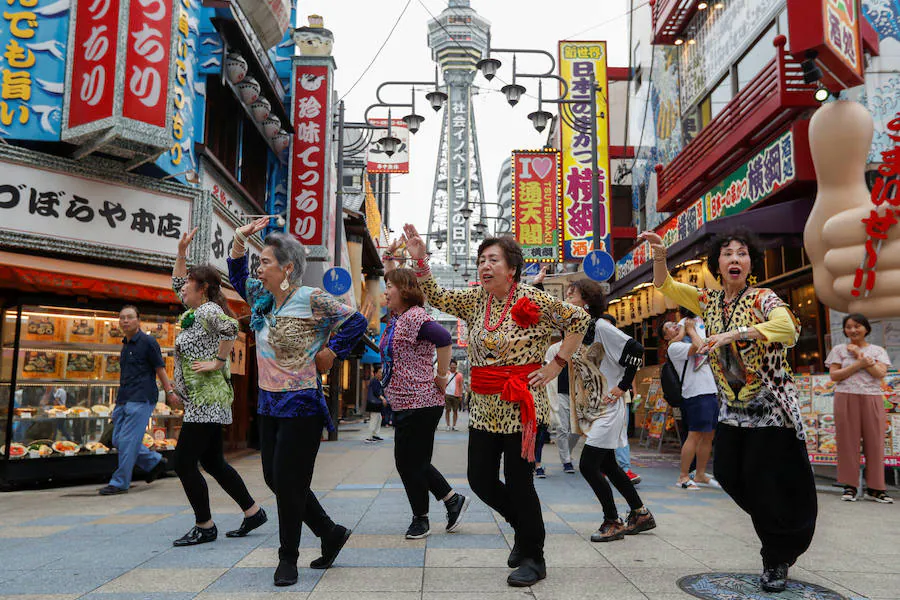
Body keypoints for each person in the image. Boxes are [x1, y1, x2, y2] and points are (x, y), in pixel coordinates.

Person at [402, 223, 591, 587]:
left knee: (520, 484)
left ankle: (534, 556)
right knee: (480, 479)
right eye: (481, 260)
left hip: (521, 405)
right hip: (485, 405)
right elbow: (438, 297)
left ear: (512, 269)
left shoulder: (532, 299)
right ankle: (524, 528)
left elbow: (579, 320)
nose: (484, 266)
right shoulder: (475, 301)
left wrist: (557, 363)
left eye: (493, 260)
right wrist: (421, 261)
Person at [641, 227, 816, 593]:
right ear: (717, 264)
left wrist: (734, 335)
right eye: (727, 254)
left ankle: (775, 557)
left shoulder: (762, 297)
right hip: (733, 411)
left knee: (761, 482)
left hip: (770, 412)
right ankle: (781, 532)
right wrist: (660, 254)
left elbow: (789, 329)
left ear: (750, 262)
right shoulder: (709, 301)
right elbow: (666, 287)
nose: (734, 259)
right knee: (729, 475)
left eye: (741, 253)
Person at [228, 218, 368, 587]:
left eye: (266, 263)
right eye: (259, 263)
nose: (259, 268)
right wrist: (241, 238)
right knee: (276, 478)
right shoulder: (261, 299)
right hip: (268, 404)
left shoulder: (312, 298)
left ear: (287, 268)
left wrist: (331, 352)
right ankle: (329, 531)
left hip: (302, 404)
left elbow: (355, 322)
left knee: (289, 484)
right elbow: (235, 270)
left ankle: (287, 558)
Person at [170, 227, 267, 547]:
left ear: (204, 290)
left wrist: (219, 362)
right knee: (212, 461)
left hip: (206, 399)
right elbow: (175, 284)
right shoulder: (195, 311)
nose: (183, 287)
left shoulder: (209, 311)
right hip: (203, 399)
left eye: (188, 284)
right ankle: (252, 511)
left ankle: (205, 524)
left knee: (184, 461)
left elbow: (230, 328)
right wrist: (182, 254)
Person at [378, 258, 470, 538]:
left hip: (421, 401)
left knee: (410, 463)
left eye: (390, 287)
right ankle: (452, 500)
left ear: (405, 290)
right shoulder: (398, 318)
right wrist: (389, 264)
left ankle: (421, 518)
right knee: (411, 461)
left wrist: (442, 375)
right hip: (406, 401)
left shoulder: (415, 317)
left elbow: (444, 337)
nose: (386, 291)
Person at [565, 279, 655, 543]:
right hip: (596, 409)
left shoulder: (602, 326)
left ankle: (612, 520)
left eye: (573, 294)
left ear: (587, 300)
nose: (568, 297)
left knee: (588, 465)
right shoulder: (582, 327)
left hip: (609, 408)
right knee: (609, 466)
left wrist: (623, 387)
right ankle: (640, 513)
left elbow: (636, 349)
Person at [98, 305, 175, 495]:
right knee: (117, 439)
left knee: (126, 440)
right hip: (124, 399)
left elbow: (160, 369)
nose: (125, 320)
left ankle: (119, 482)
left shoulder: (148, 342)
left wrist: (170, 391)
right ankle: (154, 462)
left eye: (129, 317)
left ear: (138, 320)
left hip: (141, 398)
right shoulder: (125, 344)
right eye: (122, 317)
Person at [827, 313, 893, 503]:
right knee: (847, 442)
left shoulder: (878, 350)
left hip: (872, 397)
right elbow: (834, 376)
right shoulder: (839, 350)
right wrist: (858, 364)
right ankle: (850, 486)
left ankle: (876, 488)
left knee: (875, 442)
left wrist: (859, 355)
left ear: (866, 328)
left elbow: (879, 373)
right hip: (845, 397)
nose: (853, 330)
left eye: (857, 326)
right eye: (848, 327)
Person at [659, 318, 719, 490]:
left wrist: (690, 330)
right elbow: (700, 347)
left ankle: (700, 473)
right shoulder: (674, 347)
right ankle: (683, 476)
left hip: (709, 390)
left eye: (674, 324)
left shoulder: (686, 340)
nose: (674, 326)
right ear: (666, 337)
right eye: (669, 327)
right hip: (695, 393)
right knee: (694, 435)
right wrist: (690, 330)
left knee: (709, 435)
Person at [544, 340, 578, 475]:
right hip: (560, 392)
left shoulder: (580, 347)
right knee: (562, 428)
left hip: (577, 394)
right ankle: (566, 461)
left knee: (576, 430)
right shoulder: (554, 348)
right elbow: (546, 367)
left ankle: (567, 453)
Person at [364, 365, 386, 443]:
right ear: (375, 373)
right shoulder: (374, 381)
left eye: (381, 372)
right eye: (379, 372)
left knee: (378, 418)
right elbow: (376, 392)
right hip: (374, 404)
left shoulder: (376, 381)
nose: (381, 374)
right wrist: (383, 398)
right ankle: (369, 436)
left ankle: (375, 434)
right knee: (374, 419)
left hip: (375, 404)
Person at [444, 360, 464, 431]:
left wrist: (461, 395)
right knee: (447, 410)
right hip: (447, 394)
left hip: (456, 395)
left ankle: (454, 425)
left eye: (454, 365)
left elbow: (461, 386)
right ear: (449, 366)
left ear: (456, 366)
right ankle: (448, 425)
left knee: (455, 411)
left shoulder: (460, 375)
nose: (453, 366)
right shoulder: (446, 373)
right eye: (451, 365)